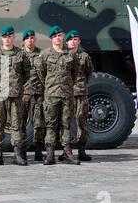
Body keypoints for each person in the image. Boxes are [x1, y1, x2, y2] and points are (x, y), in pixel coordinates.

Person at [37, 25, 80, 165]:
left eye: (60, 35)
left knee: (66, 124)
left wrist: (67, 85)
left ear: (63, 37)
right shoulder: (44, 54)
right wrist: (51, 86)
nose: (58, 38)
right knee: (50, 125)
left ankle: (68, 153)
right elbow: (41, 74)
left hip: (67, 95)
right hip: (51, 96)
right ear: (51, 38)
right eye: (55, 36)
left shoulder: (71, 55)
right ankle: (50, 155)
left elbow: (75, 72)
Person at [0, 25, 30, 166]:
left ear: (13, 37)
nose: (7, 39)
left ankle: (17, 155)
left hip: (15, 96)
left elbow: (27, 74)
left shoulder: (21, 54)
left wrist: (16, 86)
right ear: (2, 38)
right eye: (4, 37)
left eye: (9, 36)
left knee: (16, 125)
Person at [65, 30, 94, 161]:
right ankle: (67, 151)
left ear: (79, 42)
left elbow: (89, 72)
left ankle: (81, 150)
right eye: (71, 40)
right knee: (66, 122)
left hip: (81, 94)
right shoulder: (63, 55)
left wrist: (81, 85)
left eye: (75, 39)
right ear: (67, 42)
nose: (73, 41)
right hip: (67, 94)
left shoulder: (84, 56)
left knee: (81, 121)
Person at [21, 28, 45, 162]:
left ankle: (38, 150)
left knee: (39, 123)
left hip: (38, 93)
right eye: (27, 38)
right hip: (23, 94)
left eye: (32, 38)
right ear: (24, 40)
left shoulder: (41, 54)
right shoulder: (19, 54)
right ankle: (22, 151)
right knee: (21, 123)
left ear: (35, 39)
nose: (30, 41)